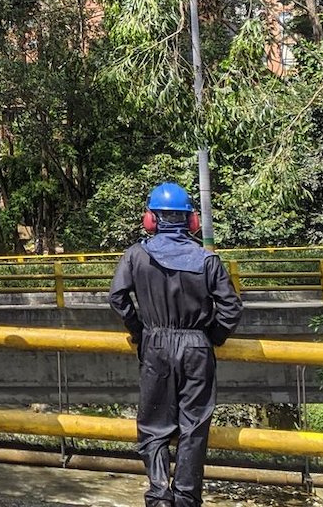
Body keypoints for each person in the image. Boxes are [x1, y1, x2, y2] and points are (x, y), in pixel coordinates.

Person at [109, 182, 243, 507]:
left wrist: (140, 331)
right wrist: (212, 336)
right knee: (193, 427)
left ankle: (158, 496)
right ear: (191, 221)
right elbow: (231, 308)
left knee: (154, 426)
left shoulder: (136, 255)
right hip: (197, 348)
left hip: (155, 344)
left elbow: (117, 297)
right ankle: (186, 498)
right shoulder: (207, 260)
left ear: (151, 219)